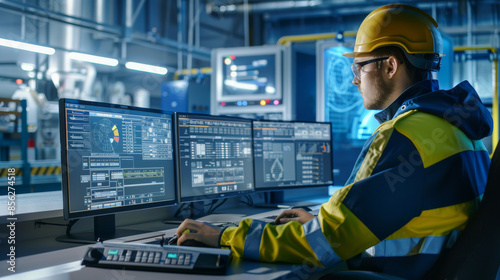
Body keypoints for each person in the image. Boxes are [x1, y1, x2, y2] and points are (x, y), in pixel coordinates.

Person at [174, 4, 493, 279]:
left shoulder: (408, 133)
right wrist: (324, 222)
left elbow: (325, 242)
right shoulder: (459, 126)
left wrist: (226, 237)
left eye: (360, 65)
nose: (355, 78)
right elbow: (408, 220)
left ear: (391, 66)